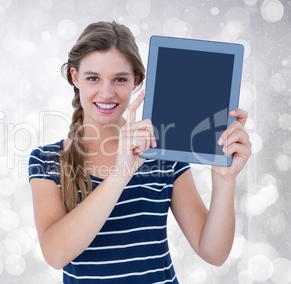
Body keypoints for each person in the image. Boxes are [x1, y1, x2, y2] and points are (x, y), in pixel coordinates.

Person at [28, 21, 252, 283]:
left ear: (136, 80)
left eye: (120, 79)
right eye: (93, 78)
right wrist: (120, 173)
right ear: (76, 77)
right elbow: (56, 254)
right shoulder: (47, 160)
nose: (107, 92)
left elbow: (213, 253)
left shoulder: (163, 152)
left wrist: (225, 181)